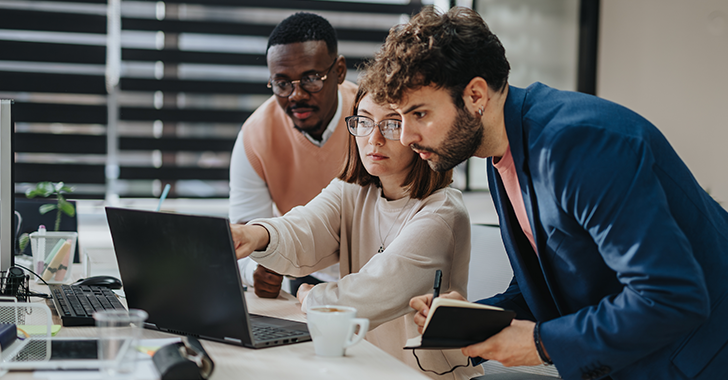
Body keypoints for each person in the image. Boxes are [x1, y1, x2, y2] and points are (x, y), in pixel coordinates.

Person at [360, 6, 728, 380]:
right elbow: (548, 281)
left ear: (475, 96)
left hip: (700, 360)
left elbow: (671, 296)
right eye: (401, 117)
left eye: (419, 114)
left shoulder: (579, 144)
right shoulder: (499, 152)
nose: (405, 136)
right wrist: (472, 320)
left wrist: (540, 343)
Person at [230, 88, 482, 379]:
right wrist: (254, 235)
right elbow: (304, 228)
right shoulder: (353, 190)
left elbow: (367, 296)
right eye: (364, 121)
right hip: (367, 368)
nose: (373, 139)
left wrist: (311, 296)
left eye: (391, 124)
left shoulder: (442, 214)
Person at [229, 12, 356, 298]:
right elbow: (244, 232)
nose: (295, 96)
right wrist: (255, 271)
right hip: (303, 274)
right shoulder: (254, 137)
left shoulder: (371, 121)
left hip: (370, 271)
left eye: (311, 78)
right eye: (282, 83)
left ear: (339, 71)